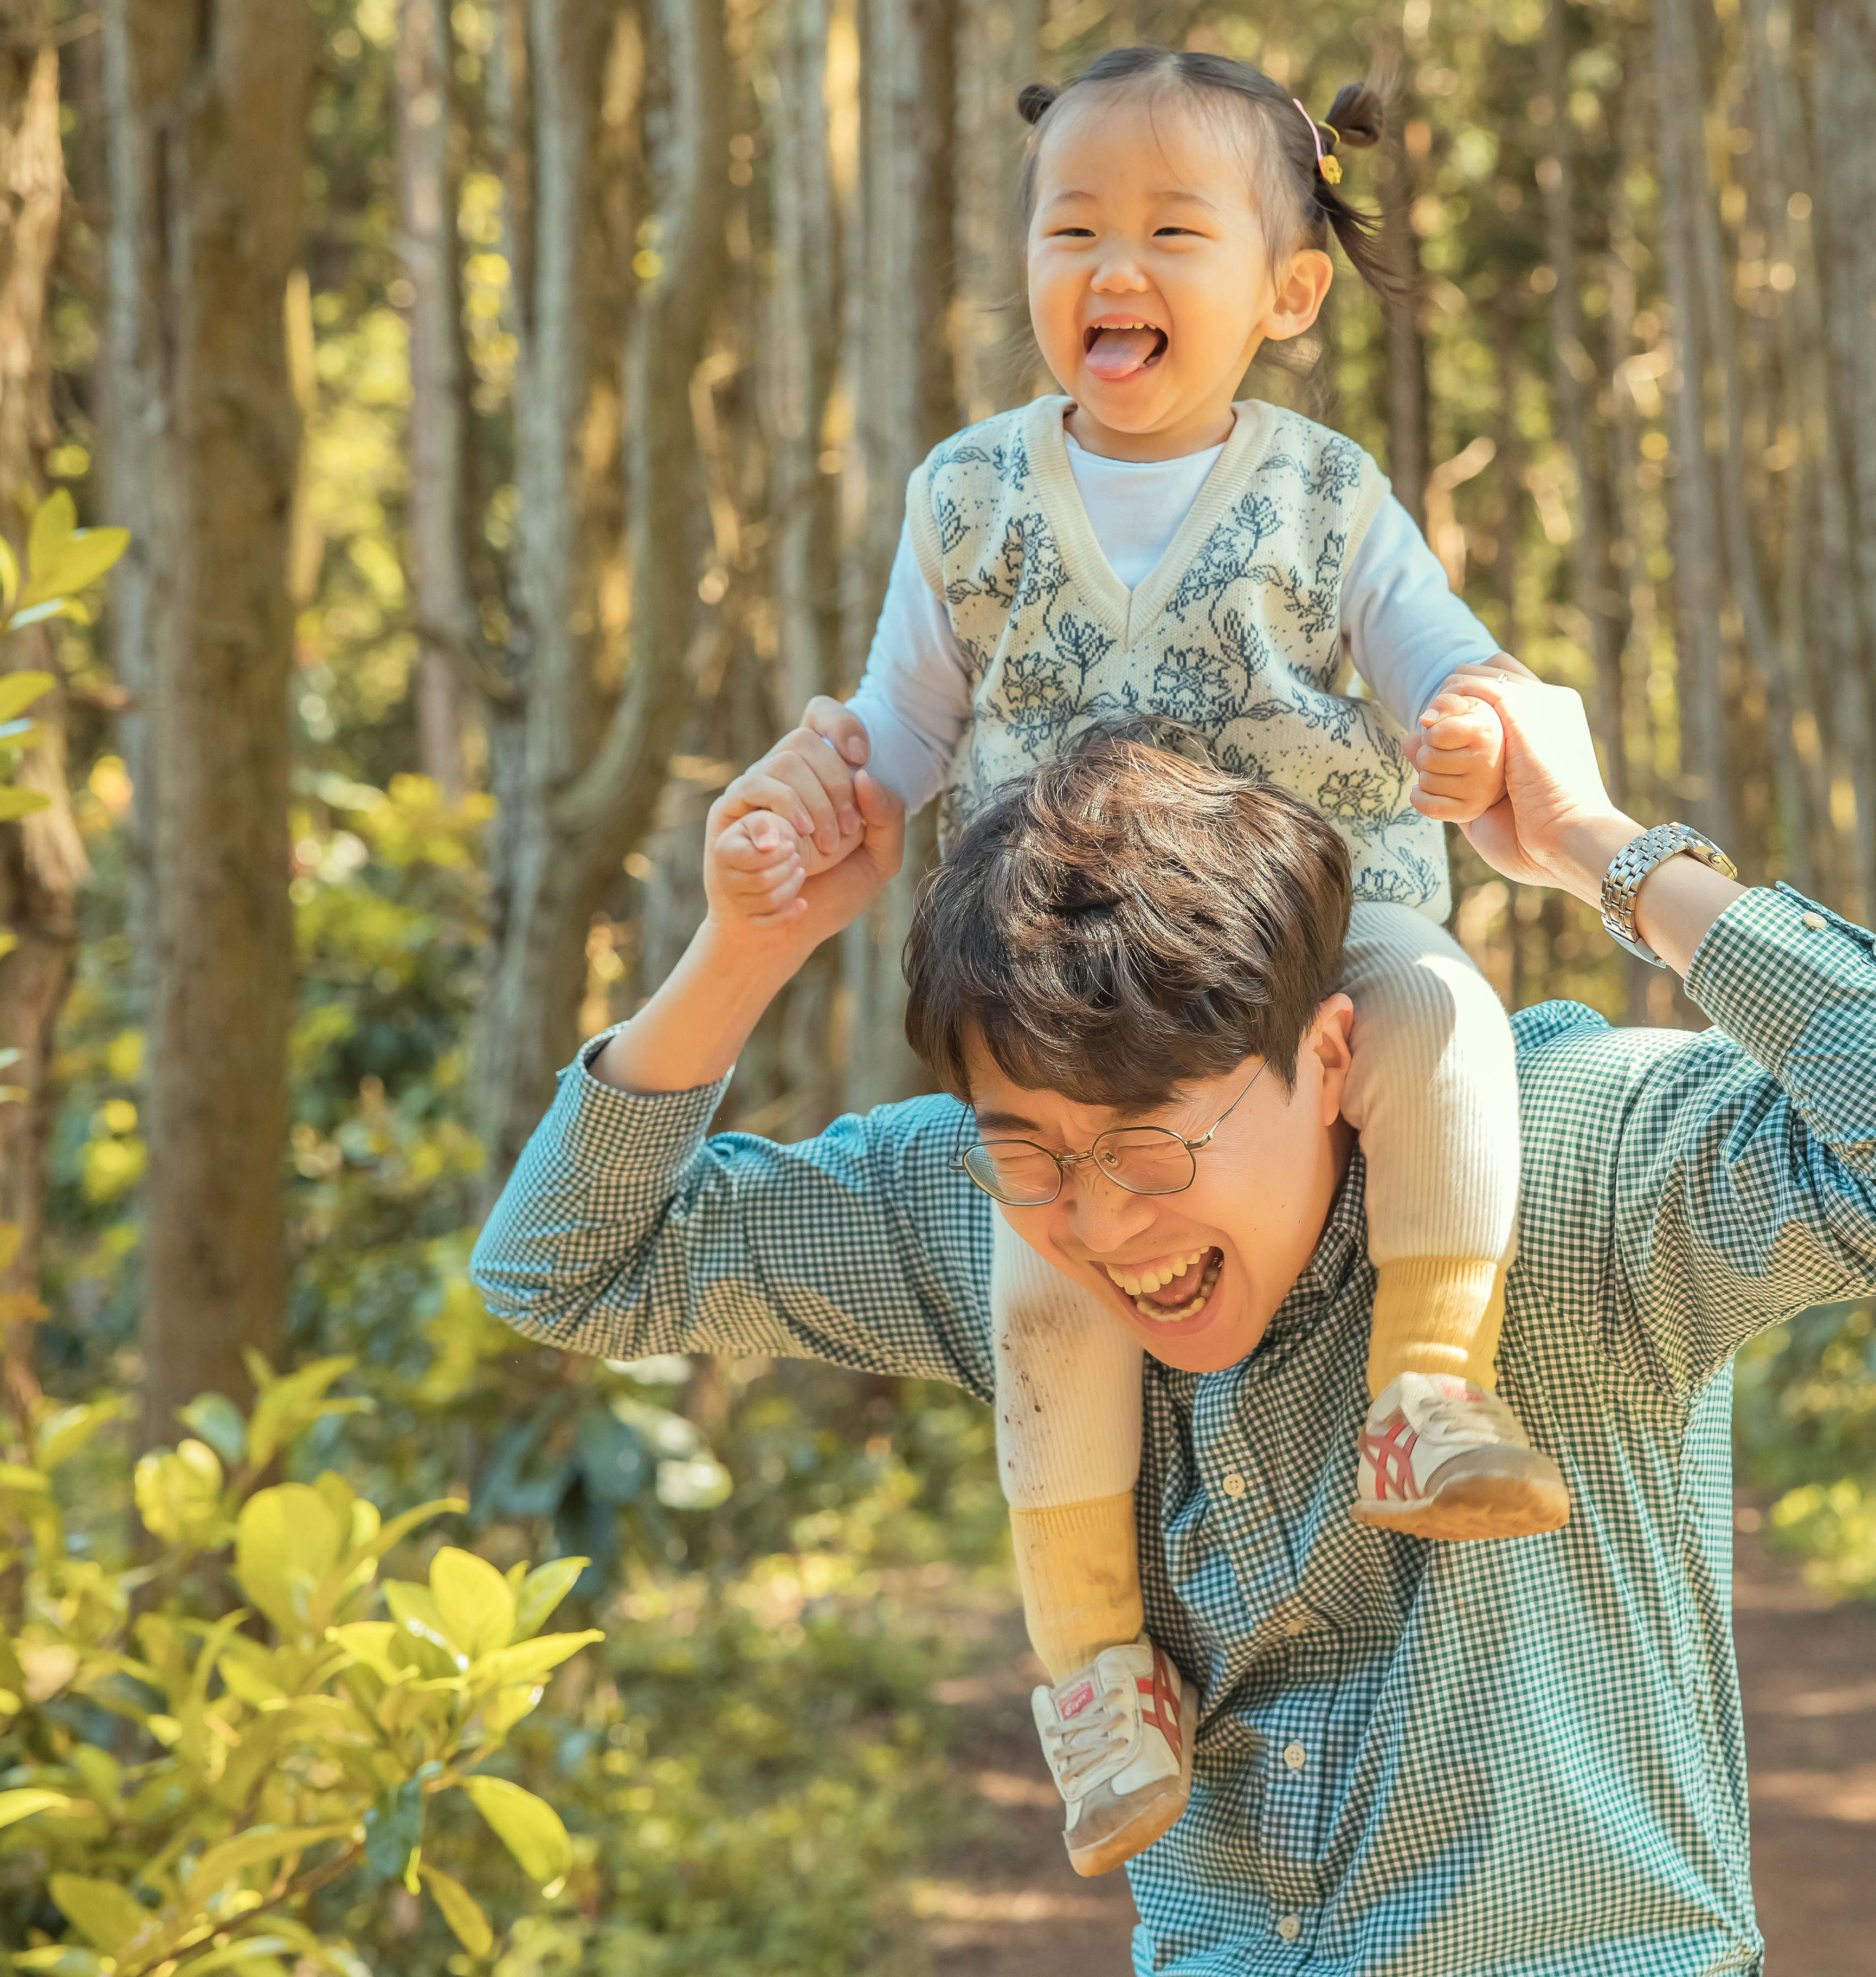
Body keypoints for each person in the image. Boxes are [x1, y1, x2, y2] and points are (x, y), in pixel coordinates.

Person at [472, 671, 1876, 1975]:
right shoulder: (988, 1223)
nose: (1104, 1226)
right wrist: (744, 946)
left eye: (1157, 1145)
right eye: (1032, 1152)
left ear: (1326, 1059)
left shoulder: (1582, 1164)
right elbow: (567, 1266)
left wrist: (1607, 849)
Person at [700, 44, 1565, 1876]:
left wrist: (1475, 732)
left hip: (1311, 922)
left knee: (1453, 1028)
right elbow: (897, 728)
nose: (1117, 266)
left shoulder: (1329, 498)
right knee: (1047, 1283)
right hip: (1056, 985)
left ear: (1288, 290)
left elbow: (1447, 662)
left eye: (1177, 230)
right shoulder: (970, 499)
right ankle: (1098, 1676)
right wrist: (811, 810)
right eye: (1073, 226)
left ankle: (1427, 1384)